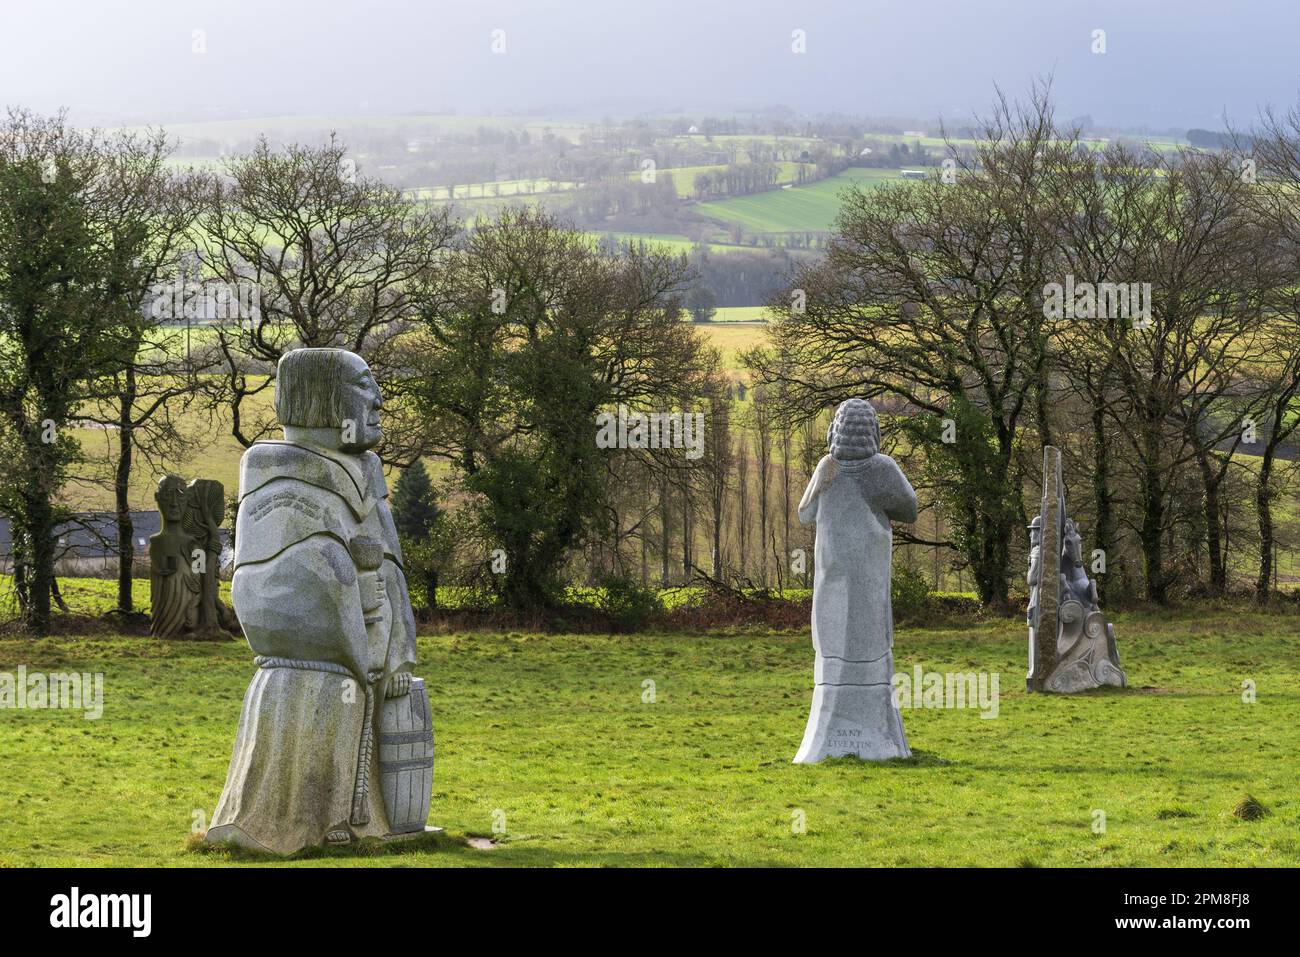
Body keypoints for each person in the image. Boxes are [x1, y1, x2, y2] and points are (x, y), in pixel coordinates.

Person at [207, 348, 422, 854]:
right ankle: (292, 827)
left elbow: (391, 567)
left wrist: (395, 649)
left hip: (367, 666)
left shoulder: (366, 472)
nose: (379, 399)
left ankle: (359, 826)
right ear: (322, 398)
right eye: (364, 386)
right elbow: (259, 584)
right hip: (305, 677)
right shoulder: (275, 473)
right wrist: (344, 594)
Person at [793, 398, 917, 763]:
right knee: (870, 636)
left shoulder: (827, 466)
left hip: (833, 575)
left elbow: (805, 512)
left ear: (837, 429)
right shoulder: (882, 468)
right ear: (873, 431)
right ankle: (878, 739)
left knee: (834, 641)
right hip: (867, 574)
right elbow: (909, 508)